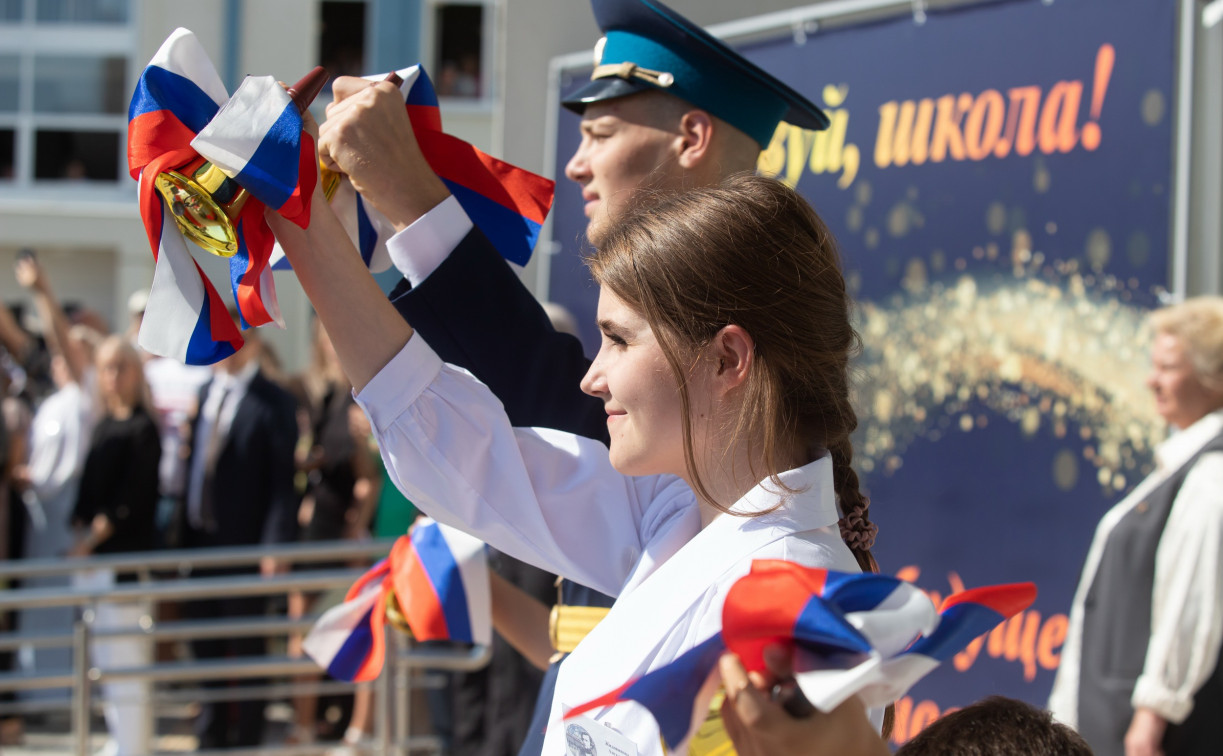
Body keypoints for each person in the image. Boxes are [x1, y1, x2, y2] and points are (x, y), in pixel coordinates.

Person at [317, 0, 833, 750]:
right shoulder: (709, 465)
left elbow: (537, 405)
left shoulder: (767, 532)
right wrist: (313, 234)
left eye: (599, 131)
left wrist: (404, 197)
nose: (575, 162)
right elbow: (494, 445)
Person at [269, 161, 878, 756]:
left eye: (618, 339)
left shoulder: (796, 614)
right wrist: (296, 214)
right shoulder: (682, 514)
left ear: (726, 360)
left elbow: (463, 453)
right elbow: (460, 454)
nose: (592, 378)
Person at [1048, 296, 1223, 756]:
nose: (1152, 379)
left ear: (1215, 378)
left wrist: (1148, 724)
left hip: (1136, 738)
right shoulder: (1182, 467)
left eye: (1167, 367)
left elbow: (1191, 604)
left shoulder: (1211, 476)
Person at [177, 320, 299, 749]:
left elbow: (284, 483)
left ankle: (248, 737)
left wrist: (274, 547)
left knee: (247, 643)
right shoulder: (205, 394)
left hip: (246, 543)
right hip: (200, 540)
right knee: (204, 643)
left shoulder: (274, 402)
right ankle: (210, 736)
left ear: (251, 343)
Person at [70, 335, 162, 756]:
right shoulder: (104, 426)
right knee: (104, 662)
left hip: (124, 564)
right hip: (95, 565)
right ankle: (120, 741)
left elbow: (131, 500)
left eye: (120, 367)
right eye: (105, 368)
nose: (112, 377)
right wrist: (81, 537)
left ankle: (133, 746)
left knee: (128, 663)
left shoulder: (144, 430)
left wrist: (89, 541)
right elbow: (88, 496)